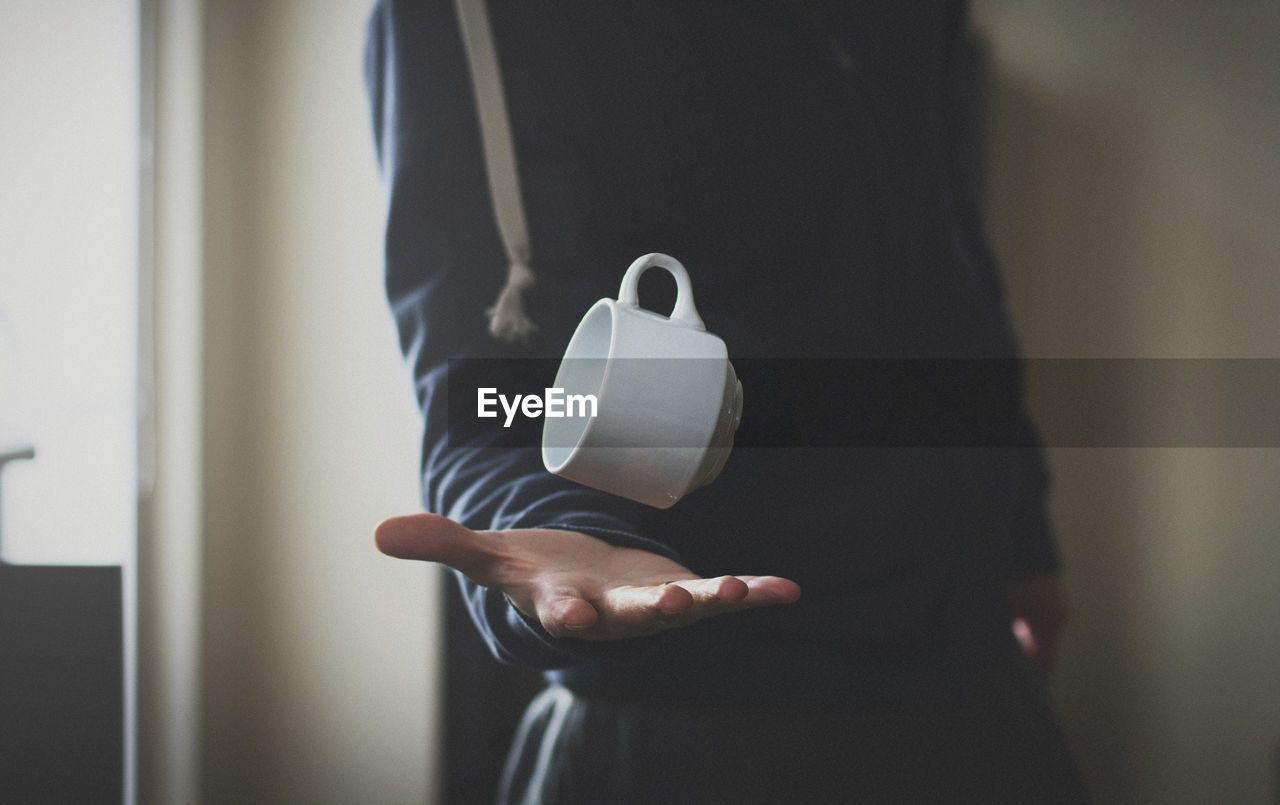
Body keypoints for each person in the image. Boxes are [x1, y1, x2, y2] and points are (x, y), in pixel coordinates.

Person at [364, 1, 1088, 801]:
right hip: (694, 717)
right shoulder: (473, 16)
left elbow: (946, 247)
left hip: (976, 673)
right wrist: (563, 538)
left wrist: (1022, 532)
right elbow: (487, 374)